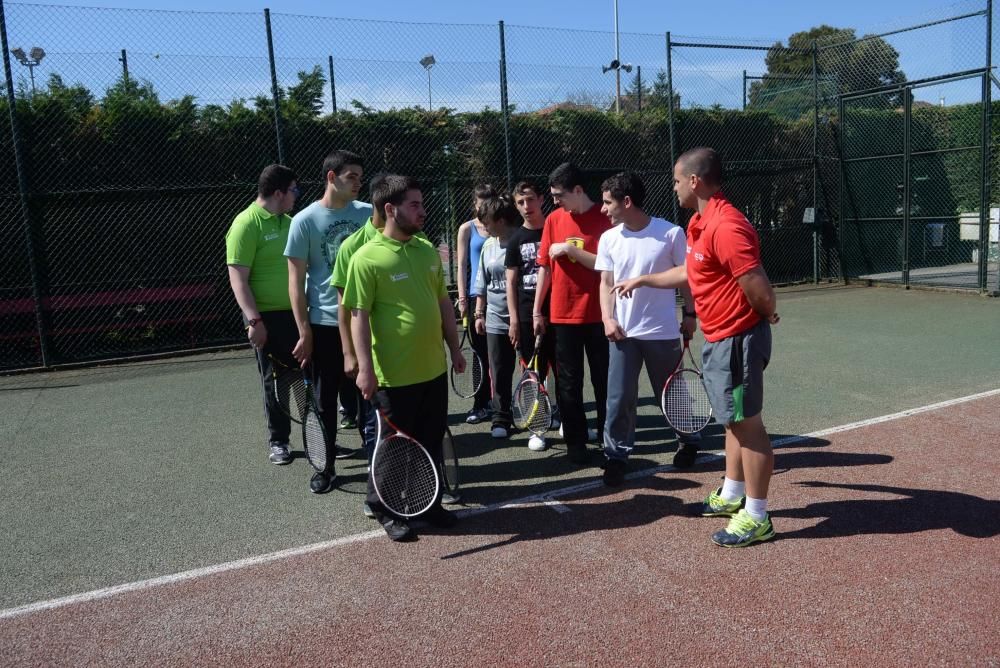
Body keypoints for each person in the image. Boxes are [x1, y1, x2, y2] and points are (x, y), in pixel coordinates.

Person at [614, 147, 779, 548]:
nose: (672, 187)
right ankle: (732, 493)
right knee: (731, 421)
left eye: (675, 180)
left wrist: (766, 312)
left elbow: (755, 282)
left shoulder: (726, 225)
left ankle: (757, 516)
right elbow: (692, 270)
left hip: (737, 338)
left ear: (694, 181)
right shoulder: (699, 223)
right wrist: (644, 280)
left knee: (747, 425)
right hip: (720, 337)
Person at [343, 174, 466, 542]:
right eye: (415, 205)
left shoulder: (427, 250)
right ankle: (384, 508)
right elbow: (357, 316)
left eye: (422, 204)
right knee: (392, 448)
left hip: (432, 370)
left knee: (429, 439)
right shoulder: (365, 258)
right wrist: (364, 368)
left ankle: (428, 505)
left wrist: (455, 348)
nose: (422, 211)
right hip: (392, 377)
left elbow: (443, 302)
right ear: (390, 209)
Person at [595, 172, 701, 487]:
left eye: (607, 203)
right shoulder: (609, 238)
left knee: (671, 395)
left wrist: (690, 313)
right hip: (623, 334)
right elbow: (605, 283)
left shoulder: (670, 234)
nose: (604, 210)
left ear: (626, 202)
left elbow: (686, 276)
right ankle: (615, 456)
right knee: (619, 398)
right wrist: (607, 318)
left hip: (663, 332)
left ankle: (688, 441)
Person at [285, 150, 371, 494]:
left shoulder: (369, 214)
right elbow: (295, 281)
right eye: (352, 176)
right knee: (323, 401)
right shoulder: (303, 221)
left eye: (361, 178)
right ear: (331, 177)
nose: (358, 183)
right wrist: (304, 330)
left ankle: (378, 463)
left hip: (362, 322)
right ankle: (325, 466)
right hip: (322, 325)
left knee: (369, 394)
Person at [533, 162, 612, 465]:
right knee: (568, 382)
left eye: (559, 194)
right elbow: (545, 268)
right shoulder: (554, 219)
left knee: (604, 381)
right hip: (563, 316)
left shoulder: (605, 219)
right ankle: (575, 443)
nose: (554, 201)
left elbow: (608, 265)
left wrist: (569, 250)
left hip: (599, 315)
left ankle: (609, 440)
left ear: (578, 190)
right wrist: (539, 310)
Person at [225, 164, 300, 468]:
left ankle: (319, 437)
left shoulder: (291, 222)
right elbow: (237, 279)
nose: (297, 196)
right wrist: (254, 321)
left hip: (296, 314)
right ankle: (279, 440)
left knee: (304, 377)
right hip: (264, 318)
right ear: (279, 193)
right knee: (275, 380)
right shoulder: (246, 223)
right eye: (294, 190)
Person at [505, 181, 560, 451]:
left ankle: (565, 420)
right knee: (532, 372)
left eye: (530, 200)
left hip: (559, 313)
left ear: (541, 199)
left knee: (564, 370)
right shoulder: (515, 239)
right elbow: (510, 282)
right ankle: (537, 426)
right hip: (527, 317)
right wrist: (514, 320)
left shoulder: (556, 228)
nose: (526, 207)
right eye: (520, 202)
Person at [472, 196, 521, 440]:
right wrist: (479, 313)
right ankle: (501, 418)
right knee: (499, 371)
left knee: (530, 370)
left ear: (501, 221)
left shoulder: (521, 240)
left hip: (520, 321)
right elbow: (482, 282)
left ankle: (535, 416)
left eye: (488, 222)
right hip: (494, 320)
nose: (484, 228)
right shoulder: (488, 245)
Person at [455, 184, 498, 424]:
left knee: (501, 354)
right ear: (474, 204)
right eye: (480, 203)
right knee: (480, 354)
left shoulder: (500, 226)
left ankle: (501, 404)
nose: (484, 207)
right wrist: (462, 299)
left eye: (488, 202)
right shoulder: (466, 229)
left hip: (499, 297)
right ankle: (480, 405)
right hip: (474, 299)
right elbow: (461, 266)